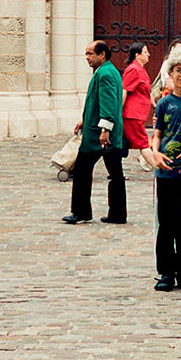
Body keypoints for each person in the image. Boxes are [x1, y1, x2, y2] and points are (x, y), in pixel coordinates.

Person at [146, 45, 181, 292]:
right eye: (178, 70)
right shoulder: (164, 103)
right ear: (171, 73)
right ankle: (166, 272)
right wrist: (155, 153)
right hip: (165, 169)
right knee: (165, 223)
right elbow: (158, 134)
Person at [63, 41, 126, 225]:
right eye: (86, 54)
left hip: (98, 136)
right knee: (116, 174)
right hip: (108, 133)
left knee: (82, 171)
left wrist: (104, 130)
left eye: (91, 54)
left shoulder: (105, 74)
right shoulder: (110, 71)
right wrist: (85, 119)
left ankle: (81, 212)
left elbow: (107, 103)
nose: (87, 58)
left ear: (102, 55)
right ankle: (118, 214)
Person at [122, 43, 153, 160]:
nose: (148, 54)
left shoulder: (140, 69)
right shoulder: (133, 69)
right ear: (137, 55)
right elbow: (124, 90)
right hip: (132, 115)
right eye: (145, 52)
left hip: (137, 114)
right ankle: (158, 171)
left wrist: (154, 104)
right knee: (143, 144)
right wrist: (118, 111)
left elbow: (144, 91)